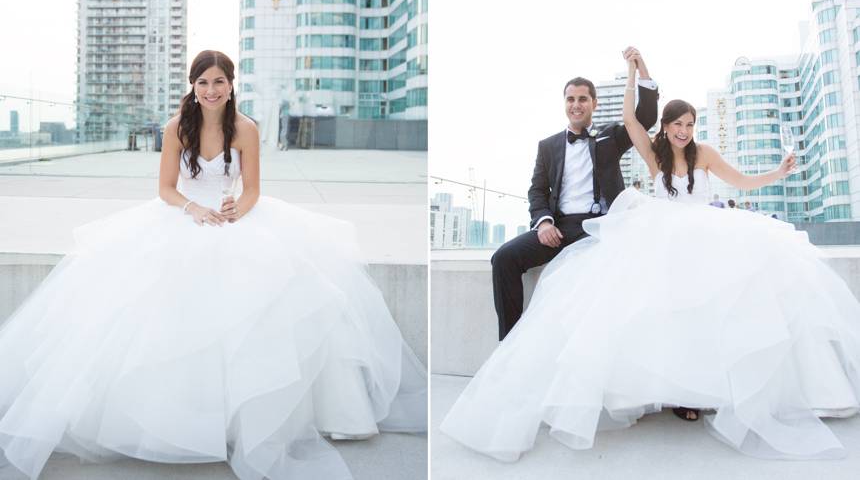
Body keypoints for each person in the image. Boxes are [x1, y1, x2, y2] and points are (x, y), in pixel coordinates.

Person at [0, 51, 426, 480]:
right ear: (192, 85)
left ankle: (245, 423)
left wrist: (234, 209)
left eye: (218, 82)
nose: (210, 91)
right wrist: (193, 210)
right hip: (183, 215)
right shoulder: (175, 128)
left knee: (276, 297)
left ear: (231, 84)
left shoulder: (245, 129)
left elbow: (253, 189)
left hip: (232, 217)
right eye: (202, 82)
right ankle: (177, 422)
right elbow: (165, 188)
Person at [440, 48, 860, 461]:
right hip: (615, 232)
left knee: (703, 309)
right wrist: (631, 70)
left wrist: (778, 173)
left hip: (679, 234)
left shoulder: (697, 152)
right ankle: (516, 358)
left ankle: (699, 393)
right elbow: (616, 130)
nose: (684, 130)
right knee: (640, 307)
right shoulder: (637, 152)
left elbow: (737, 178)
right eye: (678, 124)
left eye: (690, 124)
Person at [490, 47, 660, 340]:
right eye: (571, 99)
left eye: (583, 99)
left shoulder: (610, 137)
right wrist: (543, 222)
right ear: (564, 104)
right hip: (559, 227)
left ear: (594, 103)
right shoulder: (548, 146)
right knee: (503, 259)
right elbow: (537, 190)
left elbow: (644, 117)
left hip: (599, 229)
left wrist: (640, 67)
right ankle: (510, 343)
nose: (576, 105)